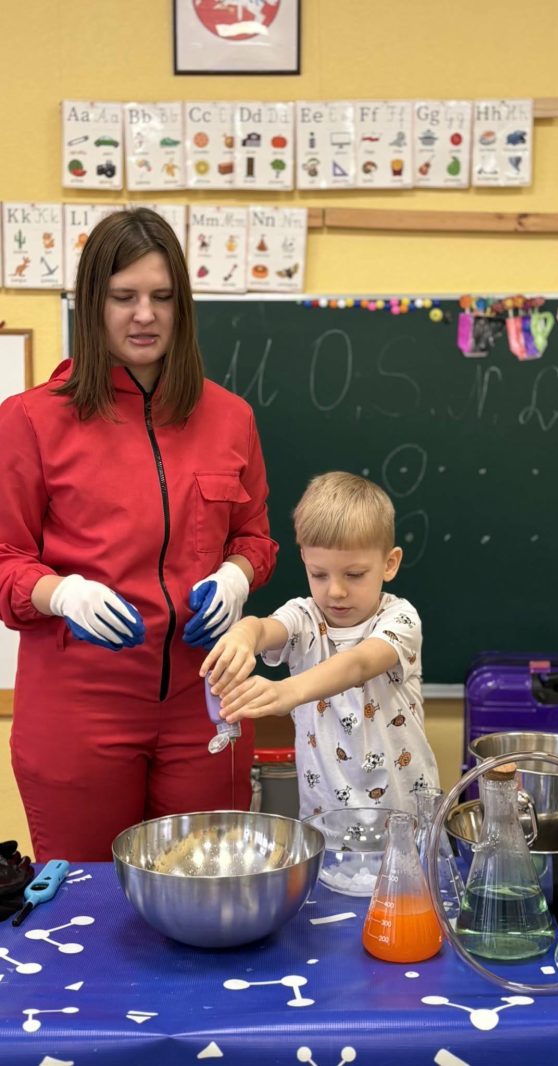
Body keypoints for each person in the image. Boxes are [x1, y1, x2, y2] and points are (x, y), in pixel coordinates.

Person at [0, 208, 277, 862]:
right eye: (124, 297)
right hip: (79, 712)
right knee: (87, 902)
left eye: (162, 297)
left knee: (207, 889)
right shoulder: (29, 420)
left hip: (206, 700)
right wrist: (61, 593)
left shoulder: (231, 417)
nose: (144, 315)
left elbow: (255, 539)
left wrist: (236, 576)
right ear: (92, 304)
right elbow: (5, 559)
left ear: (183, 307)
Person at [201, 472, 439, 819]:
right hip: (324, 824)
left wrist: (287, 691)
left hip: (404, 823)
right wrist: (245, 633)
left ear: (390, 564)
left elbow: (359, 664)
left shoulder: (400, 619)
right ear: (305, 561)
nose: (335, 591)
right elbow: (266, 629)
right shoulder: (303, 617)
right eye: (319, 574)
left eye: (354, 575)